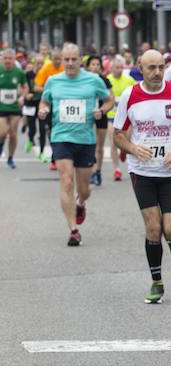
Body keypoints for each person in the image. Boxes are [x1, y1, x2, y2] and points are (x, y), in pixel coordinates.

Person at [113, 49, 171, 303]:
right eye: (151, 68)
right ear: (140, 67)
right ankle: (157, 282)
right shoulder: (131, 95)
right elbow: (117, 134)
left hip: (170, 172)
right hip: (142, 172)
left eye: (161, 67)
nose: (157, 73)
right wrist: (132, 148)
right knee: (152, 228)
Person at [38, 43, 115, 246]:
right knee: (66, 181)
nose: (70, 63)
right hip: (61, 138)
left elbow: (109, 100)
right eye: (67, 59)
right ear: (62, 60)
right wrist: (43, 109)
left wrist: (102, 110)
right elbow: (44, 101)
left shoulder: (93, 80)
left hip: (85, 141)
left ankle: (80, 202)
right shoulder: (53, 81)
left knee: (84, 189)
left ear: (81, 60)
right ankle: (73, 229)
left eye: (74, 59)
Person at [85, 55, 114, 185]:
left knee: (99, 146)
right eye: (93, 64)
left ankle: (97, 172)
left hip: (101, 115)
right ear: (88, 67)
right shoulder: (83, 80)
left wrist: (102, 110)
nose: (95, 67)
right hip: (87, 116)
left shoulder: (104, 80)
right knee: (89, 145)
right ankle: (89, 171)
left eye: (98, 65)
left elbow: (111, 99)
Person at [106, 57, 136, 181]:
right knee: (113, 141)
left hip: (126, 117)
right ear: (111, 68)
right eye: (116, 68)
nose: (119, 70)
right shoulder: (107, 80)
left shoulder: (129, 80)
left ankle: (123, 150)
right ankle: (116, 169)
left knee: (127, 138)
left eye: (121, 68)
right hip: (111, 116)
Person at [34, 48, 64, 167]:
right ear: (51, 59)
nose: (57, 61)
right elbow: (37, 87)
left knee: (55, 131)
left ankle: (54, 158)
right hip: (46, 103)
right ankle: (42, 151)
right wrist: (52, 91)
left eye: (59, 59)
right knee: (43, 129)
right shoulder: (46, 68)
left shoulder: (64, 68)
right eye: (55, 59)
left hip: (60, 105)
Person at [0, 49, 27, 169]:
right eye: (5, 58)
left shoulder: (19, 72)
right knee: (2, 132)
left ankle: (10, 158)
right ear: (2, 59)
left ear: (13, 60)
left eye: (10, 58)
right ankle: (1, 146)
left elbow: (25, 87)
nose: (7, 61)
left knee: (13, 134)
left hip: (14, 107)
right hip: (1, 107)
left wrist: (22, 97)